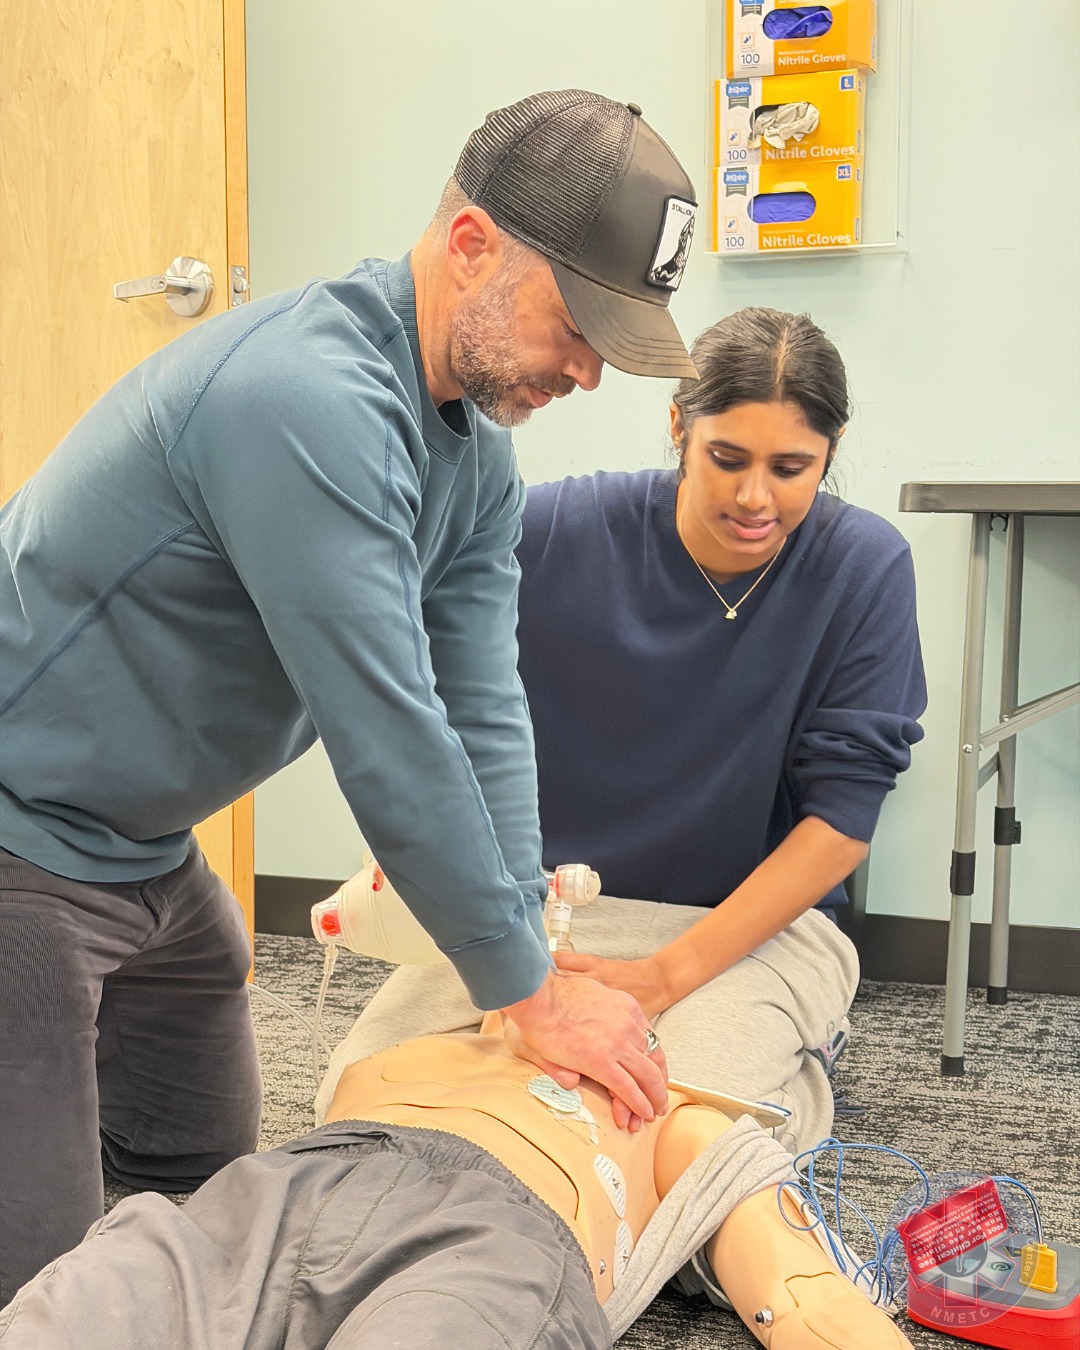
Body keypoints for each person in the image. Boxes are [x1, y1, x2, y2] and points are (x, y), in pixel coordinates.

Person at [0, 89, 702, 1304]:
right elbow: (388, 730)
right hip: (18, 836)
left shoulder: (475, 451)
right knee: (44, 1286)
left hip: (142, 852)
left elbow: (481, 700)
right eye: (578, 324)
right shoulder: (303, 399)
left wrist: (534, 934)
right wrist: (526, 998)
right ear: (472, 245)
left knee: (229, 1209)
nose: (588, 371)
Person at [319, 308, 926, 1152]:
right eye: (727, 459)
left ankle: (796, 1069)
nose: (757, 498)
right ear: (678, 426)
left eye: (793, 469)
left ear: (833, 449)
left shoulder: (864, 569)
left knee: (656, 1127)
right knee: (365, 1106)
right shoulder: (553, 531)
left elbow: (840, 825)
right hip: (540, 909)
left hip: (748, 921)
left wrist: (663, 977)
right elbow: (414, 674)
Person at [0, 1016, 914, 1349]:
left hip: (493, 1229)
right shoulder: (400, 1053)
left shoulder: (670, 1111)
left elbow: (804, 1299)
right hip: (271, 1195)